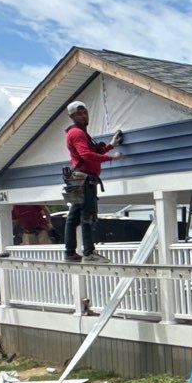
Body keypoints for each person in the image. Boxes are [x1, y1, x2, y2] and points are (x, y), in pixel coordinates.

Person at [61, 100, 121, 262]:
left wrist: (110, 145)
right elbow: (86, 155)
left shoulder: (79, 133)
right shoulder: (77, 133)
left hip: (78, 179)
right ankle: (89, 253)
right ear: (72, 116)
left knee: (73, 217)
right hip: (84, 179)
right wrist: (110, 157)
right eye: (79, 113)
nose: (83, 115)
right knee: (87, 215)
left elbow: (92, 150)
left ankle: (70, 253)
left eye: (85, 112)